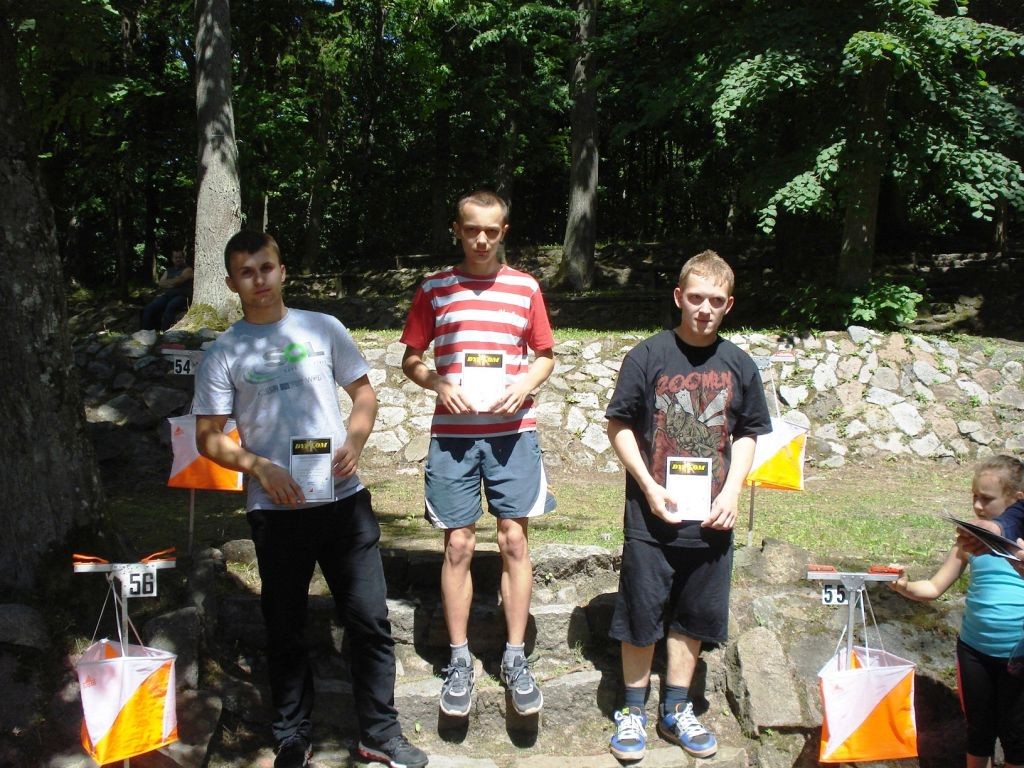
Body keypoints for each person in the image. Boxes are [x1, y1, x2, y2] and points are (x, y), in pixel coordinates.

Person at [192, 231, 427, 768]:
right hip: (275, 510)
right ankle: (292, 736)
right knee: (285, 627)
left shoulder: (324, 327)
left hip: (344, 502)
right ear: (231, 283)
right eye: (247, 272)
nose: (259, 279)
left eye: (266, 267)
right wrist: (259, 466)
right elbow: (207, 438)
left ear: (282, 270)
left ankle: (380, 734)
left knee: (369, 621)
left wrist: (355, 441)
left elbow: (363, 394)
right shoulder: (224, 352)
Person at [604, 250, 771, 761]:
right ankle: (632, 710)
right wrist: (648, 487)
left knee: (695, 616)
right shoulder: (647, 356)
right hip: (650, 518)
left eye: (716, 301)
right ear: (679, 297)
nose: (704, 309)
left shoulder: (739, 364)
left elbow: (748, 433)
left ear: (729, 305)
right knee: (641, 613)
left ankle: (677, 709)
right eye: (696, 297)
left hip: (713, 519)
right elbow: (619, 424)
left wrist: (732, 491)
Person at [400, 190, 555, 719]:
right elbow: (411, 359)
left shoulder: (525, 287)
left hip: (514, 434)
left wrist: (526, 384)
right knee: (459, 546)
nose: (482, 240)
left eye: (491, 230)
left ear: (504, 231)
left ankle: (515, 656)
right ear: (457, 230)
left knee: (514, 540)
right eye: (472, 230)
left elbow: (544, 356)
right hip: (454, 437)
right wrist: (438, 383)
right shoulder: (435, 289)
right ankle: (460, 659)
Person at [889, 455, 1024, 768]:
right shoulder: (968, 542)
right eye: (974, 496)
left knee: (1017, 737)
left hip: (1017, 655)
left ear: (1017, 500)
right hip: (974, 652)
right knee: (978, 732)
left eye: (987, 499)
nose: (977, 506)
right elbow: (933, 587)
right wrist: (904, 586)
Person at [141, 248, 193, 331]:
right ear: (172, 259)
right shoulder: (169, 270)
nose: (178, 259)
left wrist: (170, 282)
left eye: (180, 257)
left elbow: (178, 281)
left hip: (182, 296)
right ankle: (146, 332)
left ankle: (165, 332)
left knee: (170, 307)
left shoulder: (188, 270)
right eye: (176, 258)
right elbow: (161, 283)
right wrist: (174, 281)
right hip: (167, 295)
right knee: (149, 308)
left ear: (183, 258)